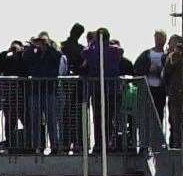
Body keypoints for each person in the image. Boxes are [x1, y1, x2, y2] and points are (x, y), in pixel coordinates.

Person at [81, 28, 125, 153]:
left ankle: (99, 144)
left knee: (98, 118)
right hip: (112, 89)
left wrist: (93, 43)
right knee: (110, 118)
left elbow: (84, 53)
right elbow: (120, 50)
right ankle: (109, 143)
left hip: (98, 89)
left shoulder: (92, 51)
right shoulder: (115, 50)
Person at [22, 32, 64, 154]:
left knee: (52, 120)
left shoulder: (53, 53)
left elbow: (57, 57)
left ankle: (54, 146)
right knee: (36, 120)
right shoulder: (35, 54)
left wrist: (47, 46)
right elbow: (25, 58)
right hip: (35, 91)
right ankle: (38, 146)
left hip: (50, 91)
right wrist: (32, 46)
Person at [132, 31, 169, 129]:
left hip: (160, 89)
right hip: (147, 89)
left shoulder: (167, 55)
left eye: (161, 38)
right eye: (157, 37)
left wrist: (161, 70)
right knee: (146, 114)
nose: (158, 40)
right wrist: (148, 69)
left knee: (159, 114)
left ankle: (157, 138)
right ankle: (146, 138)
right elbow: (136, 69)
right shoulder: (146, 54)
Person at [60, 23, 87, 152]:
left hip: (66, 84)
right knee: (77, 114)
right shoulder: (81, 49)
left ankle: (66, 142)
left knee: (67, 114)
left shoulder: (63, 46)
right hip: (76, 84)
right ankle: (78, 143)